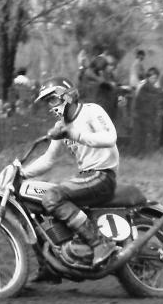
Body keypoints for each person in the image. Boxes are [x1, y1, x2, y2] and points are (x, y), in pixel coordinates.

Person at [21, 78, 121, 267]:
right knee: (34, 204)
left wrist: (74, 134)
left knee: (52, 197)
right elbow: (48, 159)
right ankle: (49, 266)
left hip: (103, 175)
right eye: (47, 103)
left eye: (52, 100)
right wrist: (21, 172)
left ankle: (100, 243)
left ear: (66, 96)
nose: (50, 107)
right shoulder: (62, 125)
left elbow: (110, 138)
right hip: (87, 177)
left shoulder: (92, 111)